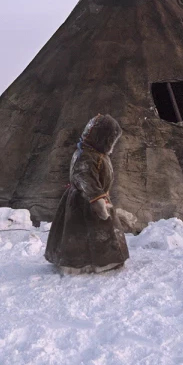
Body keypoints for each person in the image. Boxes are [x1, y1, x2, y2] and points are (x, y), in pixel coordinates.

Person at [44, 114, 129, 275]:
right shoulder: (85, 156)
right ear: (102, 137)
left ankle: (103, 261)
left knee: (101, 231)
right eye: (111, 140)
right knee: (85, 231)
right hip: (84, 202)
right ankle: (83, 264)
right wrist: (98, 201)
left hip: (97, 198)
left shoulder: (97, 154)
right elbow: (85, 178)